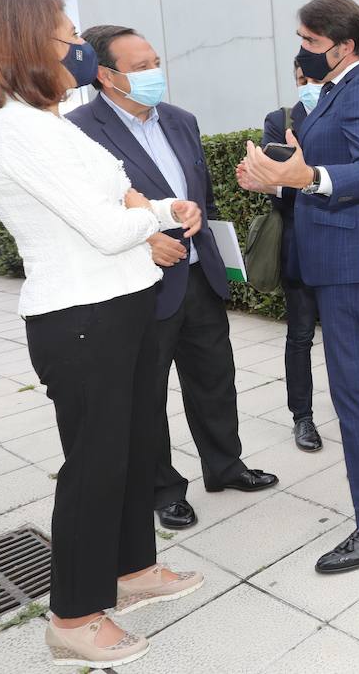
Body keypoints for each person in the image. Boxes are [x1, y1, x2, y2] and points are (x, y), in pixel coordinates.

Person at [0, 0, 204, 667]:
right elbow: (104, 223)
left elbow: (119, 195)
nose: (77, 48)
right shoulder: (17, 129)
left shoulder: (45, 121)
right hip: (81, 317)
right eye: (66, 36)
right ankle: (73, 614)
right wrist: (159, 215)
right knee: (94, 464)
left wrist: (157, 205)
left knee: (126, 447)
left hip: (116, 304)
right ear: (26, 46)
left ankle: (128, 569)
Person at [239, 0, 359, 575]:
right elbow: (315, 170)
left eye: (310, 42)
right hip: (335, 255)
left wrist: (307, 174)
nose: (301, 51)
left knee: (352, 389)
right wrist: (277, 178)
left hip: (346, 259)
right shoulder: (336, 90)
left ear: (343, 47)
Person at [72, 26, 278, 533]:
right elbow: (83, 210)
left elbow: (196, 193)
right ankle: (162, 489)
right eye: (140, 67)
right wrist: (144, 240)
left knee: (214, 378)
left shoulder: (182, 121)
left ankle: (225, 466)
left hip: (198, 276)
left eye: (155, 62)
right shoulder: (79, 129)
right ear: (106, 75)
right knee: (146, 395)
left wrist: (200, 220)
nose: (153, 74)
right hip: (138, 285)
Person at [262, 64, 323, 451]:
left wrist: (304, 177)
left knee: (350, 335)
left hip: (343, 248)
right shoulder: (279, 120)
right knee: (300, 336)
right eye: (303, 80)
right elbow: (273, 183)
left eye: (316, 80)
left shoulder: (348, 114)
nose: (310, 87)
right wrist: (309, 181)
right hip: (298, 245)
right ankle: (302, 417)